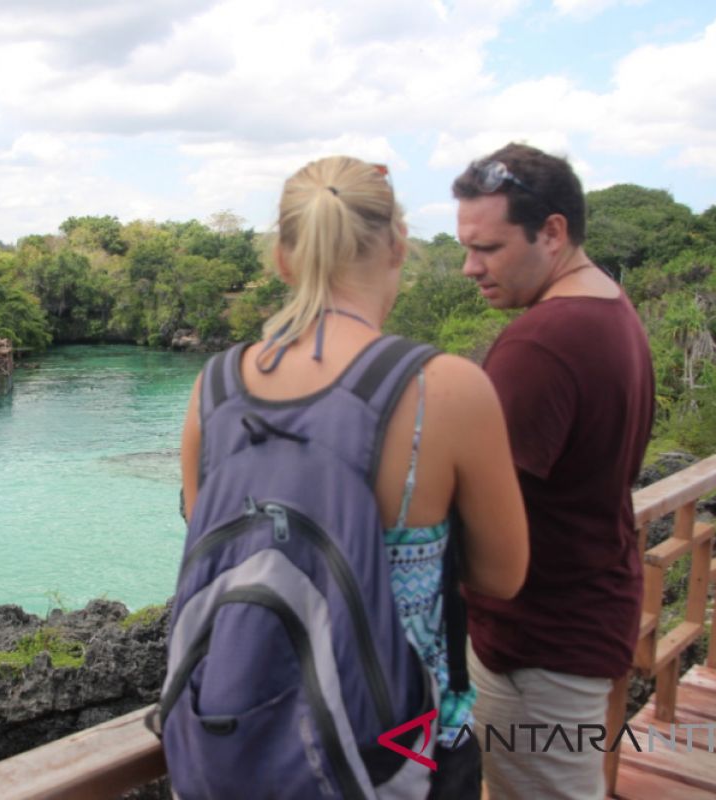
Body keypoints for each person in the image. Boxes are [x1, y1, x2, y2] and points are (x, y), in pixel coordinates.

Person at [177, 155, 529, 798]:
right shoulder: (444, 389)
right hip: (393, 755)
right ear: (398, 244)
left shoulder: (215, 388)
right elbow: (503, 576)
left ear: (283, 258)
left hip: (237, 746)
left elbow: (212, 543)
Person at [452, 143, 655, 799]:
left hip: (536, 644)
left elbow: (476, 502)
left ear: (553, 231)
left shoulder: (542, 340)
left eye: (487, 247)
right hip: (587, 612)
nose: (468, 266)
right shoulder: (609, 309)